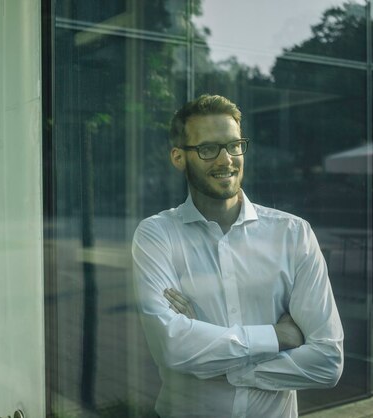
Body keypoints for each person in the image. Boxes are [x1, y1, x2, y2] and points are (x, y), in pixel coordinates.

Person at [132, 94, 344, 418]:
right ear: (178, 157)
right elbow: (172, 347)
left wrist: (225, 367)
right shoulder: (156, 235)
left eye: (234, 145)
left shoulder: (293, 234)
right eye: (208, 149)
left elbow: (327, 361)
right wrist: (278, 336)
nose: (225, 160)